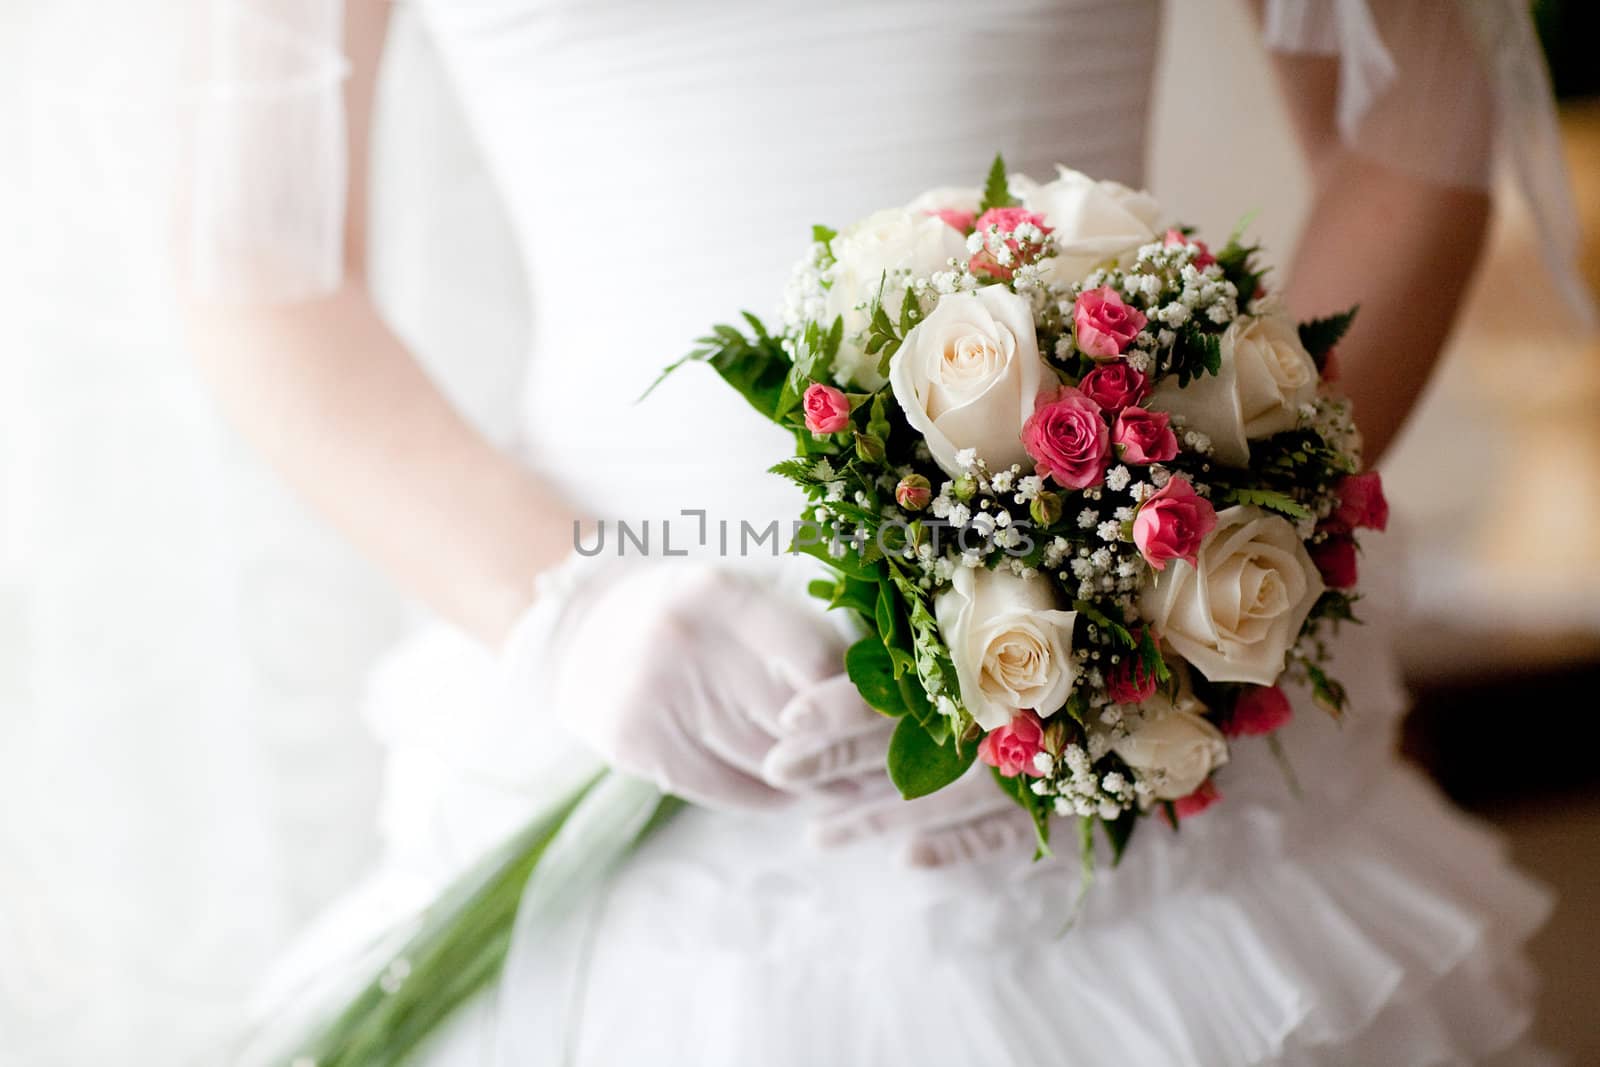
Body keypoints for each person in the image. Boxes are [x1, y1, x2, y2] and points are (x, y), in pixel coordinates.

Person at [186, 1, 1565, 1062]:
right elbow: (261, 271)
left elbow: (1420, 123)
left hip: (1142, 742)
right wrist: (573, 612)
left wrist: (1158, 604)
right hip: (609, 703)